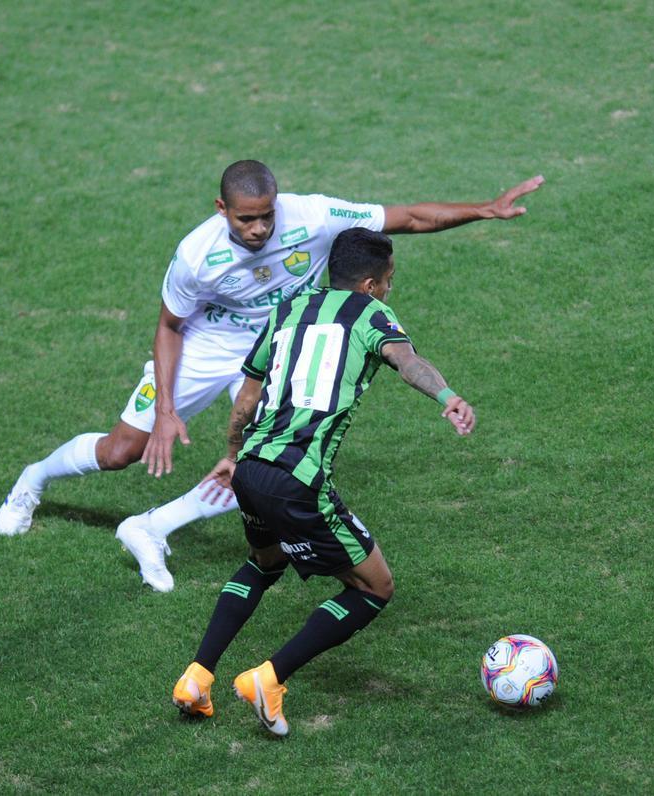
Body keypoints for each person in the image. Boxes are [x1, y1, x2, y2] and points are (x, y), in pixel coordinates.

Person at [0, 160, 538, 591]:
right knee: (121, 452)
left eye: (266, 217)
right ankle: (33, 480)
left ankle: (150, 528)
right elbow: (168, 325)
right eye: (245, 219)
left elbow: (410, 218)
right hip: (205, 345)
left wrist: (485, 210)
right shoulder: (195, 255)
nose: (258, 229)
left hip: (278, 343)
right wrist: (164, 411)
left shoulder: (314, 215)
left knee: (262, 463)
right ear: (221, 209)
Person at [171, 228, 474, 736]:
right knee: (374, 587)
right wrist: (447, 397)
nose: (389, 292)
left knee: (265, 563)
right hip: (298, 481)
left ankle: (196, 678)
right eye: (390, 282)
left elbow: (245, 403)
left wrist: (229, 457)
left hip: (249, 469)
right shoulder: (372, 314)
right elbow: (407, 362)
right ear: (371, 284)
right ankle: (269, 677)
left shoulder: (287, 309)